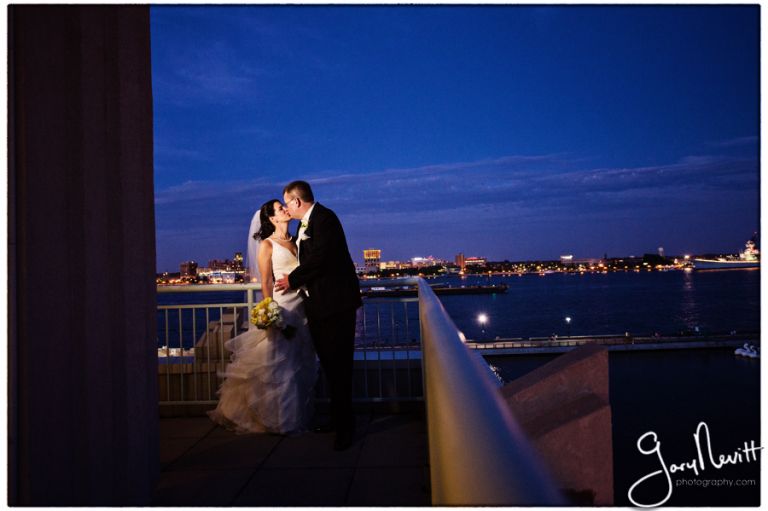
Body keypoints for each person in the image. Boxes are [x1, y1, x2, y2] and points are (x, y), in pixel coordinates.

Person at [208, 200, 317, 435]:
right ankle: (283, 421)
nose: (285, 209)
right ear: (272, 218)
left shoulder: (296, 240)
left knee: (298, 361)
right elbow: (266, 282)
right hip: (282, 306)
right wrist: (272, 313)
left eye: (284, 206)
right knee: (282, 364)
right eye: (280, 209)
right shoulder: (267, 245)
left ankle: (297, 415)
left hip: (301, 306)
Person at [275, 180, 362, 450]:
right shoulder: (306, 225)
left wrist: (293, 280)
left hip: (336, 306)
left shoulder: (325, 219)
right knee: (329, 366)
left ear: (297, 201)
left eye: (288, 203)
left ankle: (346, 430)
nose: (287, 209)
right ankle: (338, 421)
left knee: (340, 367)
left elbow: (320, 259)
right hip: (319, 307)